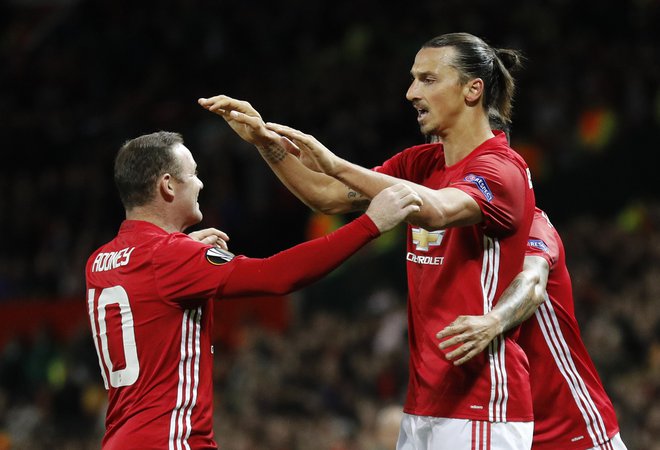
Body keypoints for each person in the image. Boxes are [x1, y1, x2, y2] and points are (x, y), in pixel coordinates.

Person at [200, 32, 536, 449]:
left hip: (483, 403)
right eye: (413, 79)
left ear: (473, 89)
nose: (411, 92)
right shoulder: (420, 161)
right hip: (423, 404)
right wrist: (266, 145)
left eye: (428, 80)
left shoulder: (501, 169)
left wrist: (336, 163)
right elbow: (326, 196)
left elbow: (435, 208)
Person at [85, 131, 422, 449]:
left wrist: (184, 251)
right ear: (168, 186)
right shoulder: (171, 257)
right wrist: (370, 223)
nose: (201, 183)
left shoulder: (100, 262)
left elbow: (151, 290)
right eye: (194, 173)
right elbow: (276, 275)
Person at [436, 207, 628, 449]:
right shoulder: (463, 246)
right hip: (509, 429)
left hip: (572, 430)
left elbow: (533, 281)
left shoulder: (531, 225)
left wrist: (493, 321)